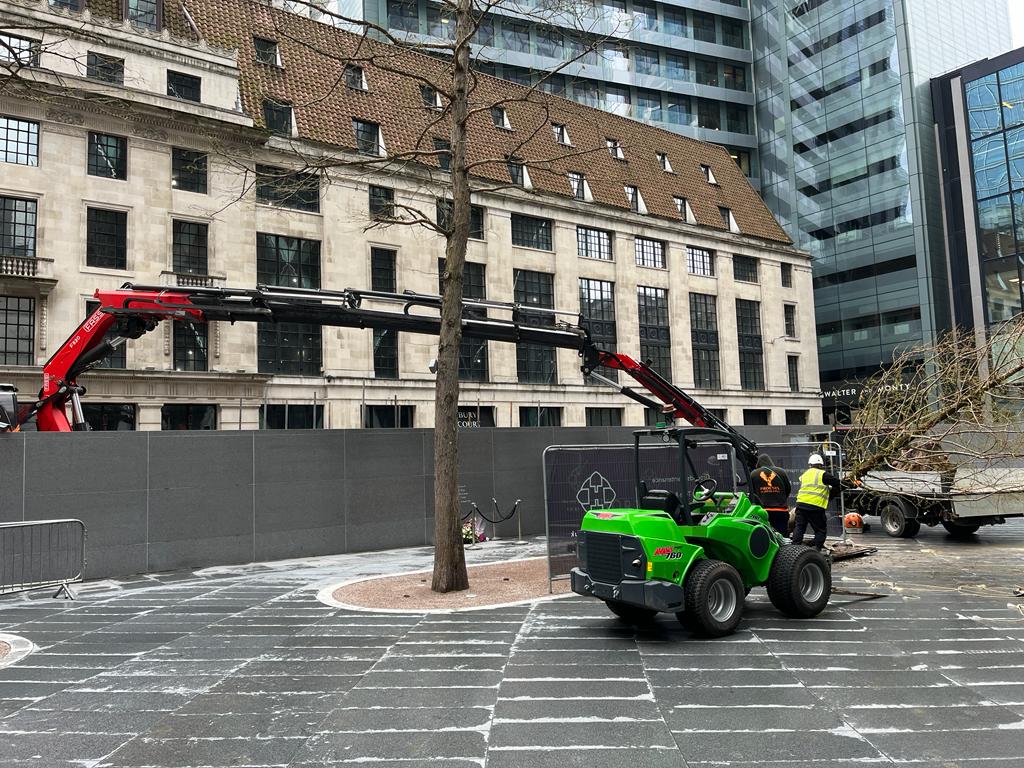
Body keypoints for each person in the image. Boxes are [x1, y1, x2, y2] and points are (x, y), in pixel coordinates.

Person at [793, 453, 842, 550]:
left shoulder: (804, 474)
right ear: (821, 465)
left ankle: (795, 548)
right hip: (815, 506)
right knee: (820, 530)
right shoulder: (823, 474)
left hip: (801, 505)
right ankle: (816, 549)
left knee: (799, 528)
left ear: (810, 464)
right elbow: (838, 483)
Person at [748, 453, 792, 536]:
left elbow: (752, 493)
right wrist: (781, 499)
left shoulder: (754, 474)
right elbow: (788, 489)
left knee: (765, 535)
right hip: (780, 510)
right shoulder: (781, 472)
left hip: (762, 512)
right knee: (782, 536)